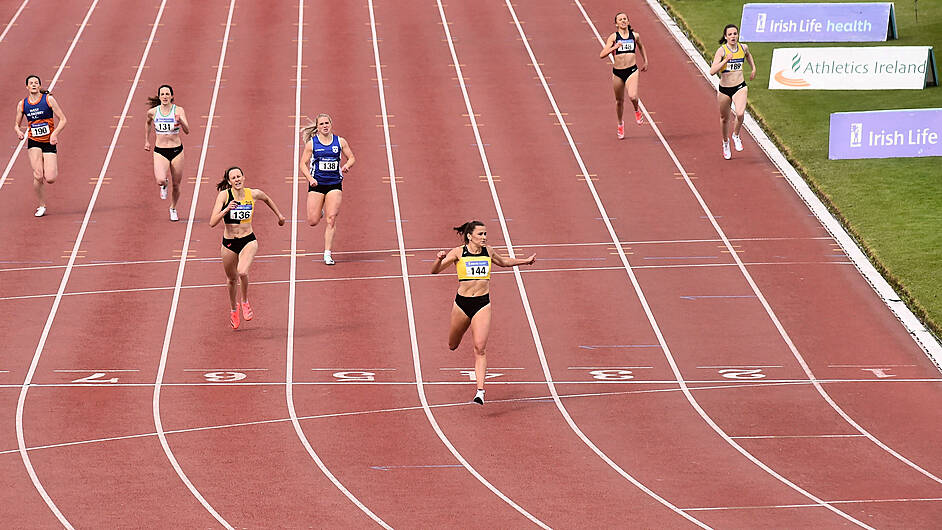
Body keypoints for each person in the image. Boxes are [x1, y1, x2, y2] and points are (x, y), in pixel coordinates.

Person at [431, 221, 536, 405]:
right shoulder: (458, 252)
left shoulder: (489, 251)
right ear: (470, 236)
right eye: (480, 234)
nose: (484, 237)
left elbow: (503, 262)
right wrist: (439, 259)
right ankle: (457, 341)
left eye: (485, 234)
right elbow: (434, 271)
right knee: (452, 345)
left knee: (480, 348)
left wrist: (525, 261)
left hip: (482, 303)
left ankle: (480, 391)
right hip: (462, 304)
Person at [209, 166, 285, 329]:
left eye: (239, 176)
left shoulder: (253, 193)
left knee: (242, 271)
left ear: (243, 178)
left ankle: (244, 301)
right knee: (231, 280)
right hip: (229, 243)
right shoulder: (224, 195)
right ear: (229, 182)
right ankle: (233, 309)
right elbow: (212, 222)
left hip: (248, 240)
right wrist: (226, 209)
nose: (236, 179)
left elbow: (267, 199)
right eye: (233, 178)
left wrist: (279, 215)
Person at [299, 113, 355, 265]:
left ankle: (327, 253)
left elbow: (351, 157)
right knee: (312, 220)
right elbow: (302, 164)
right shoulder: (312, 144)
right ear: (317, 127)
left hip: (334, 184)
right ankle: (319, 211)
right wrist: (310, 179)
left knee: (331, 219)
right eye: (321, 124)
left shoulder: (340, 141)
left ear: (331, 124)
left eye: (326, 123)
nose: (324, 126)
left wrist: (347, 166)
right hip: (317, 184)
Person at [14, 75, 67, 217]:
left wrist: (55, 134)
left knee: (50, 178)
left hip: (49, 141)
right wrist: (19, 131)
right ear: (27, 87)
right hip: (34, 142)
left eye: (36, 83)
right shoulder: (23, 104)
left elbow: (63, 119)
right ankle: (42, 205)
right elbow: (16, 125)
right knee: (38, 174)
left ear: (39, 86)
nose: (33, 85)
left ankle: (46, 169)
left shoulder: (48, 100)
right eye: (31, 83)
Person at [708, 24, 756, 160]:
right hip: (724, 89)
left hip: (740, 86)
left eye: (735, 34)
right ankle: (725, 143)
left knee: (740, 113)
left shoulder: (743, 47)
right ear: (725, 37)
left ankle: (735, 135)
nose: (733, 36)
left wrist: (753, 68)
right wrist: (725, 60)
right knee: (724, 119)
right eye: (730, 34)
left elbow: (748, 55)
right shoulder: (721, 51)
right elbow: (712, 71)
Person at [599, 12, 648, 140]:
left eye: (625, 19)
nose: (623, 21)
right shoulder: (613, 37)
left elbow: (641, 47)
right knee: (619, 101)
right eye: (620, 19)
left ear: (628, 21)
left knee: (632, 95)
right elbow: (602, 54)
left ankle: (637, 110)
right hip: (618, 72)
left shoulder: (635, 36)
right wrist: (614, 47)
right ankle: (620, 124)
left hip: (632, 70)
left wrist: (645, 60)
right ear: (616, 24)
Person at [144, 84, 190, 221]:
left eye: (167, 94)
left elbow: (187, 131)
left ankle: (173, 208)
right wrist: (147, 140)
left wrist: (180, 120)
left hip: (176, 150)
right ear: (159, 96)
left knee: (176, 184)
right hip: (160, 151)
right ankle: (164, 184)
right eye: (162, 94)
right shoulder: (153, 112)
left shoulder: (179, 110)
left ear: (171, 96)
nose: (165, 96)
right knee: (160, 180)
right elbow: (147, 124)